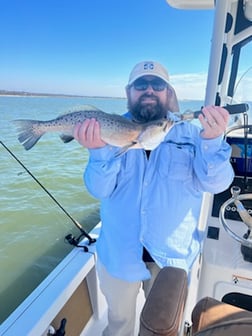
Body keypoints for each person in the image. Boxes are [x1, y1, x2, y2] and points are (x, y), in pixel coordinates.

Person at [74, 61, 234, 336]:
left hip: (171, 260)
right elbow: (99, 190)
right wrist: (98, 151)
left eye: (157, 84)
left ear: (168, 93)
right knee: (118, 325)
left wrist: (213, 139)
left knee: (163, 330)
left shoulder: (194, 136)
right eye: (141, 84)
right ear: (129, 92)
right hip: (119, 256)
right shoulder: (109, 130)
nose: (149, 90)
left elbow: (217, 183)